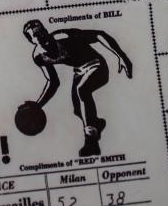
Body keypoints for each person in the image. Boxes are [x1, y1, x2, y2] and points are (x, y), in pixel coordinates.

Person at [22, 19, 132, 156]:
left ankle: (91, 142)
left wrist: (122, 57)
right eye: (37, 35)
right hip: (79, 71)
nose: (42, 36)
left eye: (42, 31)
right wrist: (37, 105)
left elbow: (99, 35)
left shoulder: (64, 36)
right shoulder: (39, 56)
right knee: (77, 110)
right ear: (32, 41)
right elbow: (53, 82)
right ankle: (96, 123)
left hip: (97, 65)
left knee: (82, 90)